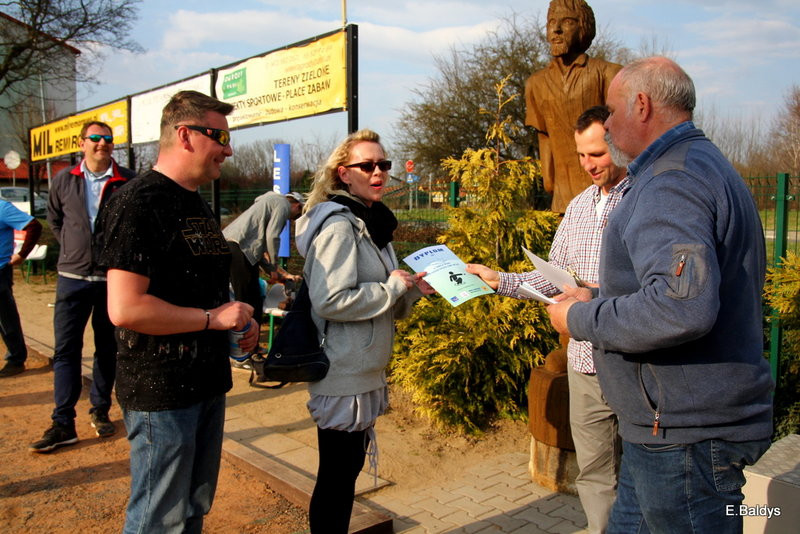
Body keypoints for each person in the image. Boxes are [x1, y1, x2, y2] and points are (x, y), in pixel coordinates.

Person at [546, 57, 773, 534]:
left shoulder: (671, 181)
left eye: (610, 111)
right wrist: (601, 295)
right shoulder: (697, 165)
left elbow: (680, 307)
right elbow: (679, 287)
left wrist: (582, 319)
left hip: (684, 439)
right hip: (666, 432)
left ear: (642, 105)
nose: (605, 125)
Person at [95, 90, 257, 533]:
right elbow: (125, 308)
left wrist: (239, 320)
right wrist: (211, 319)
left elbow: (206, 290)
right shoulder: (137, 202)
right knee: (158, 517)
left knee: (194, 507)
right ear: (185, 135)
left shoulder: (197, 203)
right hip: (161, 393)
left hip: (206, 382)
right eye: (219, 136)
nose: (228, 148)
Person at [466, 105, 627, 534]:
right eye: (581, 155)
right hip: (584, 360)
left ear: (619, 143)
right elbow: (550, 278)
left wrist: (592, 295)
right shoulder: (577, 207)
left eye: (597, 154)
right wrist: (498, 279)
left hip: (634, 361)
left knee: (646, 472)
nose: (588, 165)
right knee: (594, 469)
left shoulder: (645, 201)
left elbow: (658, 290)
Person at [294, 129, 434, 534]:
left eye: (384, 165)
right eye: (367, 166)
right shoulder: (340, 227)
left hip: (363, 370)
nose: (379, 173)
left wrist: (412, 292)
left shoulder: (372, 223)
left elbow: (385, 299)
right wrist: (392, 287)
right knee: (336, 481)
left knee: (344, 475)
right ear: (344, 174)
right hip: (343, 374)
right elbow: (330, 299)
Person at [30, 121, 135, 453]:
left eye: (107, 139)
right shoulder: (64, 180)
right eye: (95, 138)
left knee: (107, 349)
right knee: (65, 351)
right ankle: (63, 422)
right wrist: (73, 249)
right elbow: (55, 219)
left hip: (111, 280)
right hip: (72, 279)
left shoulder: (128, 181)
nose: (102, 144)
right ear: (81, 143)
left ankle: (100, 409)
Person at [525, 0, 621, 213]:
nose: (556, 29)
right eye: (551, 22)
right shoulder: (536, 84)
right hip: (562, 195)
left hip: (607, 191)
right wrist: (549, 181)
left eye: (567, 22)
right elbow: (544, 136)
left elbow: (625, 134)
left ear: (584, 27)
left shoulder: (608, 74)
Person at [222, 190, 304, 368]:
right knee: (246, 302)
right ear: (297, 205)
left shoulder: (265, 205)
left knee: (254, 301)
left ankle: (251, 348)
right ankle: (242, 355)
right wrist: (274, 268)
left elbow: (256, 250)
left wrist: (273, 271)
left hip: (235, 248)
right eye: (298, 214)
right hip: (237, 251)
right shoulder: (281, 205)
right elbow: (272, 237)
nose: (293, 219)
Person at [0, 202, 42, 377]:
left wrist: (22, 254)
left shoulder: (2, 208)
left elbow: (33, 226)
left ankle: (16, 359)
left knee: (5, 317)